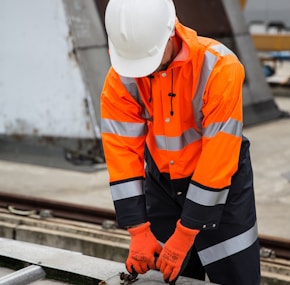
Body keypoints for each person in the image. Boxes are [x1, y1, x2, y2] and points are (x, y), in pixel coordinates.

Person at [100, 0, 261, 284]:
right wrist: (138, 230)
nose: (139, 71)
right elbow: (122, 152)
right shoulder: (120, 78)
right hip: (162, 184)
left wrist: (186, 232)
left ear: (171, 33)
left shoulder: (220, 66)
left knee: (237, 275)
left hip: (222, 184)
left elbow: (218, 156)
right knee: (170, 277)